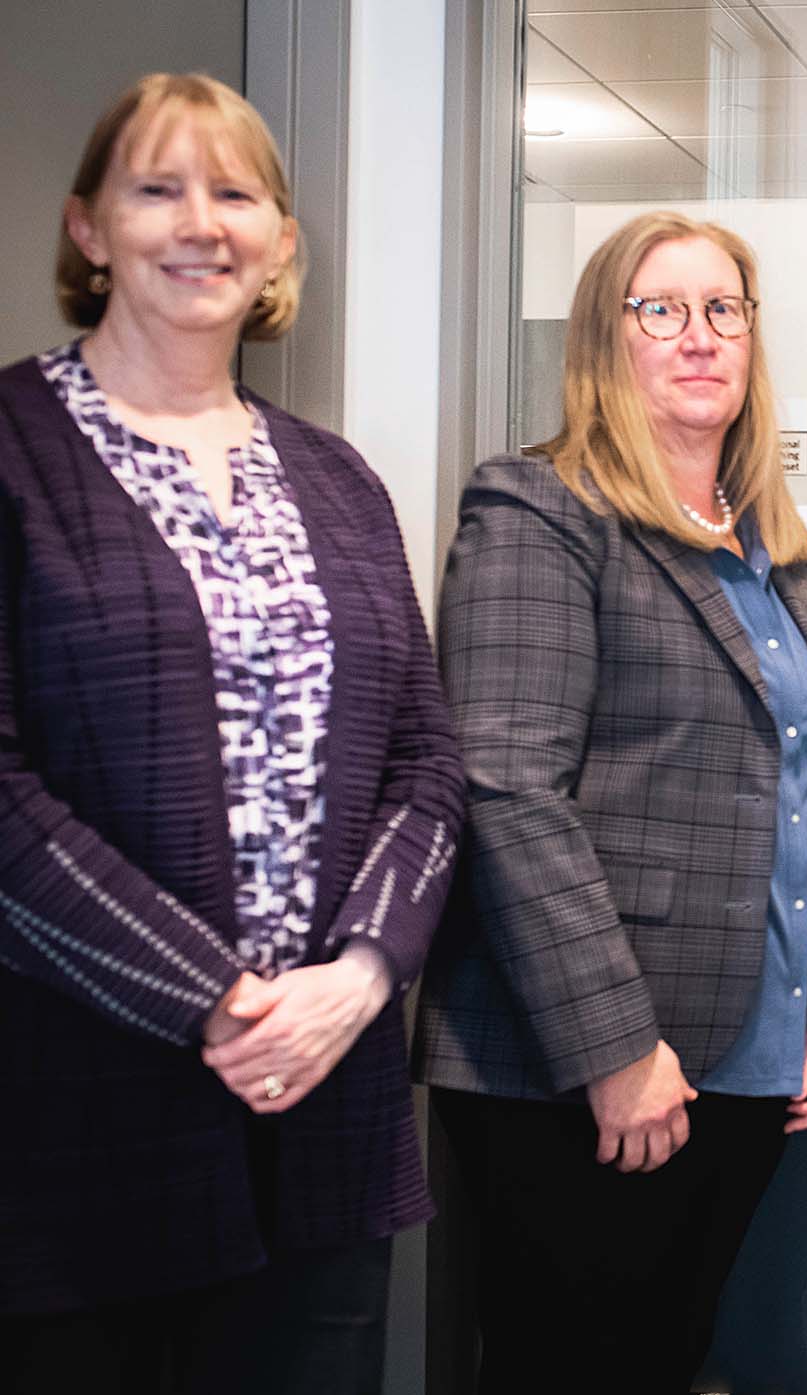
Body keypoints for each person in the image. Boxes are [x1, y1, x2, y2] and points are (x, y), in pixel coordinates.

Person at [0, 73, 464, 1393]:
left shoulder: (336, 477)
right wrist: (214, 996)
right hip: (78, 1126)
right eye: (158, 187)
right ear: (88, 227)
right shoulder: (14, 446)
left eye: (236, 192)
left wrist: (361, 977)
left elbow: (427, 764)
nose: (199, 222)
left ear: (280, 245)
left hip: (332, 1114)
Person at [411, 210, 807, 1394]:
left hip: (750, 1047)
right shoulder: (538, 508)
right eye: (660, 309)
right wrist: (616, 1052)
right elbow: (508, 789)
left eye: (723, 308)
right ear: (602, 339)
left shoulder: (767, 541)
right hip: (580, 1062)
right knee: (570, 1367)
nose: (698, 336)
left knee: (668, 1356)